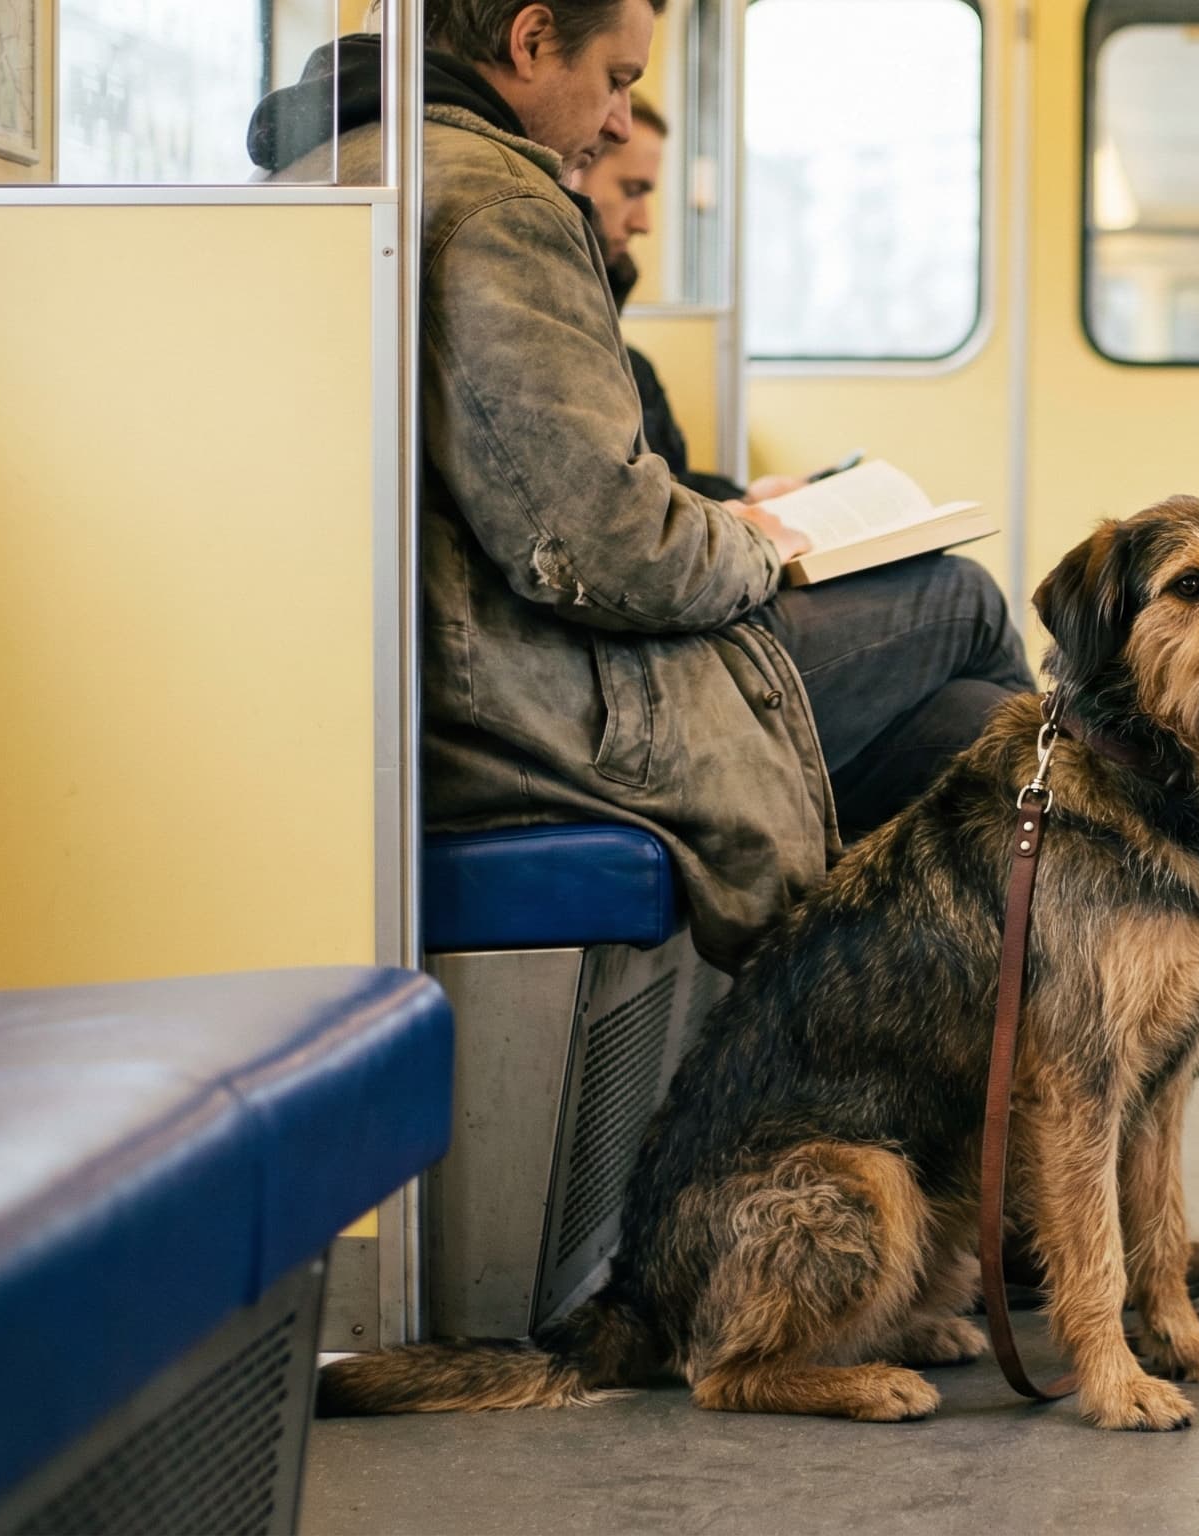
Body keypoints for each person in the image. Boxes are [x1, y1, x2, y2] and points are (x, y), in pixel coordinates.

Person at [240, 1, 1035, 971]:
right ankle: (1069, 985)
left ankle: (872, 1054)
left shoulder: (327, 167)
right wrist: (767, 542)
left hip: (431, 687)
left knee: (962, 734)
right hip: (525, 715)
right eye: (617, 80)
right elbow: (611, 549)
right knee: (958, 604)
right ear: (531, 40)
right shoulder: (498, 202)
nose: (621, 121)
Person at [571, 94, 747, 504]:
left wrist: (748, 498)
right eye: (633, 190)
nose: (644, 223)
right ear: (573, 175)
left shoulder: (630, 363)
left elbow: (669, 483)